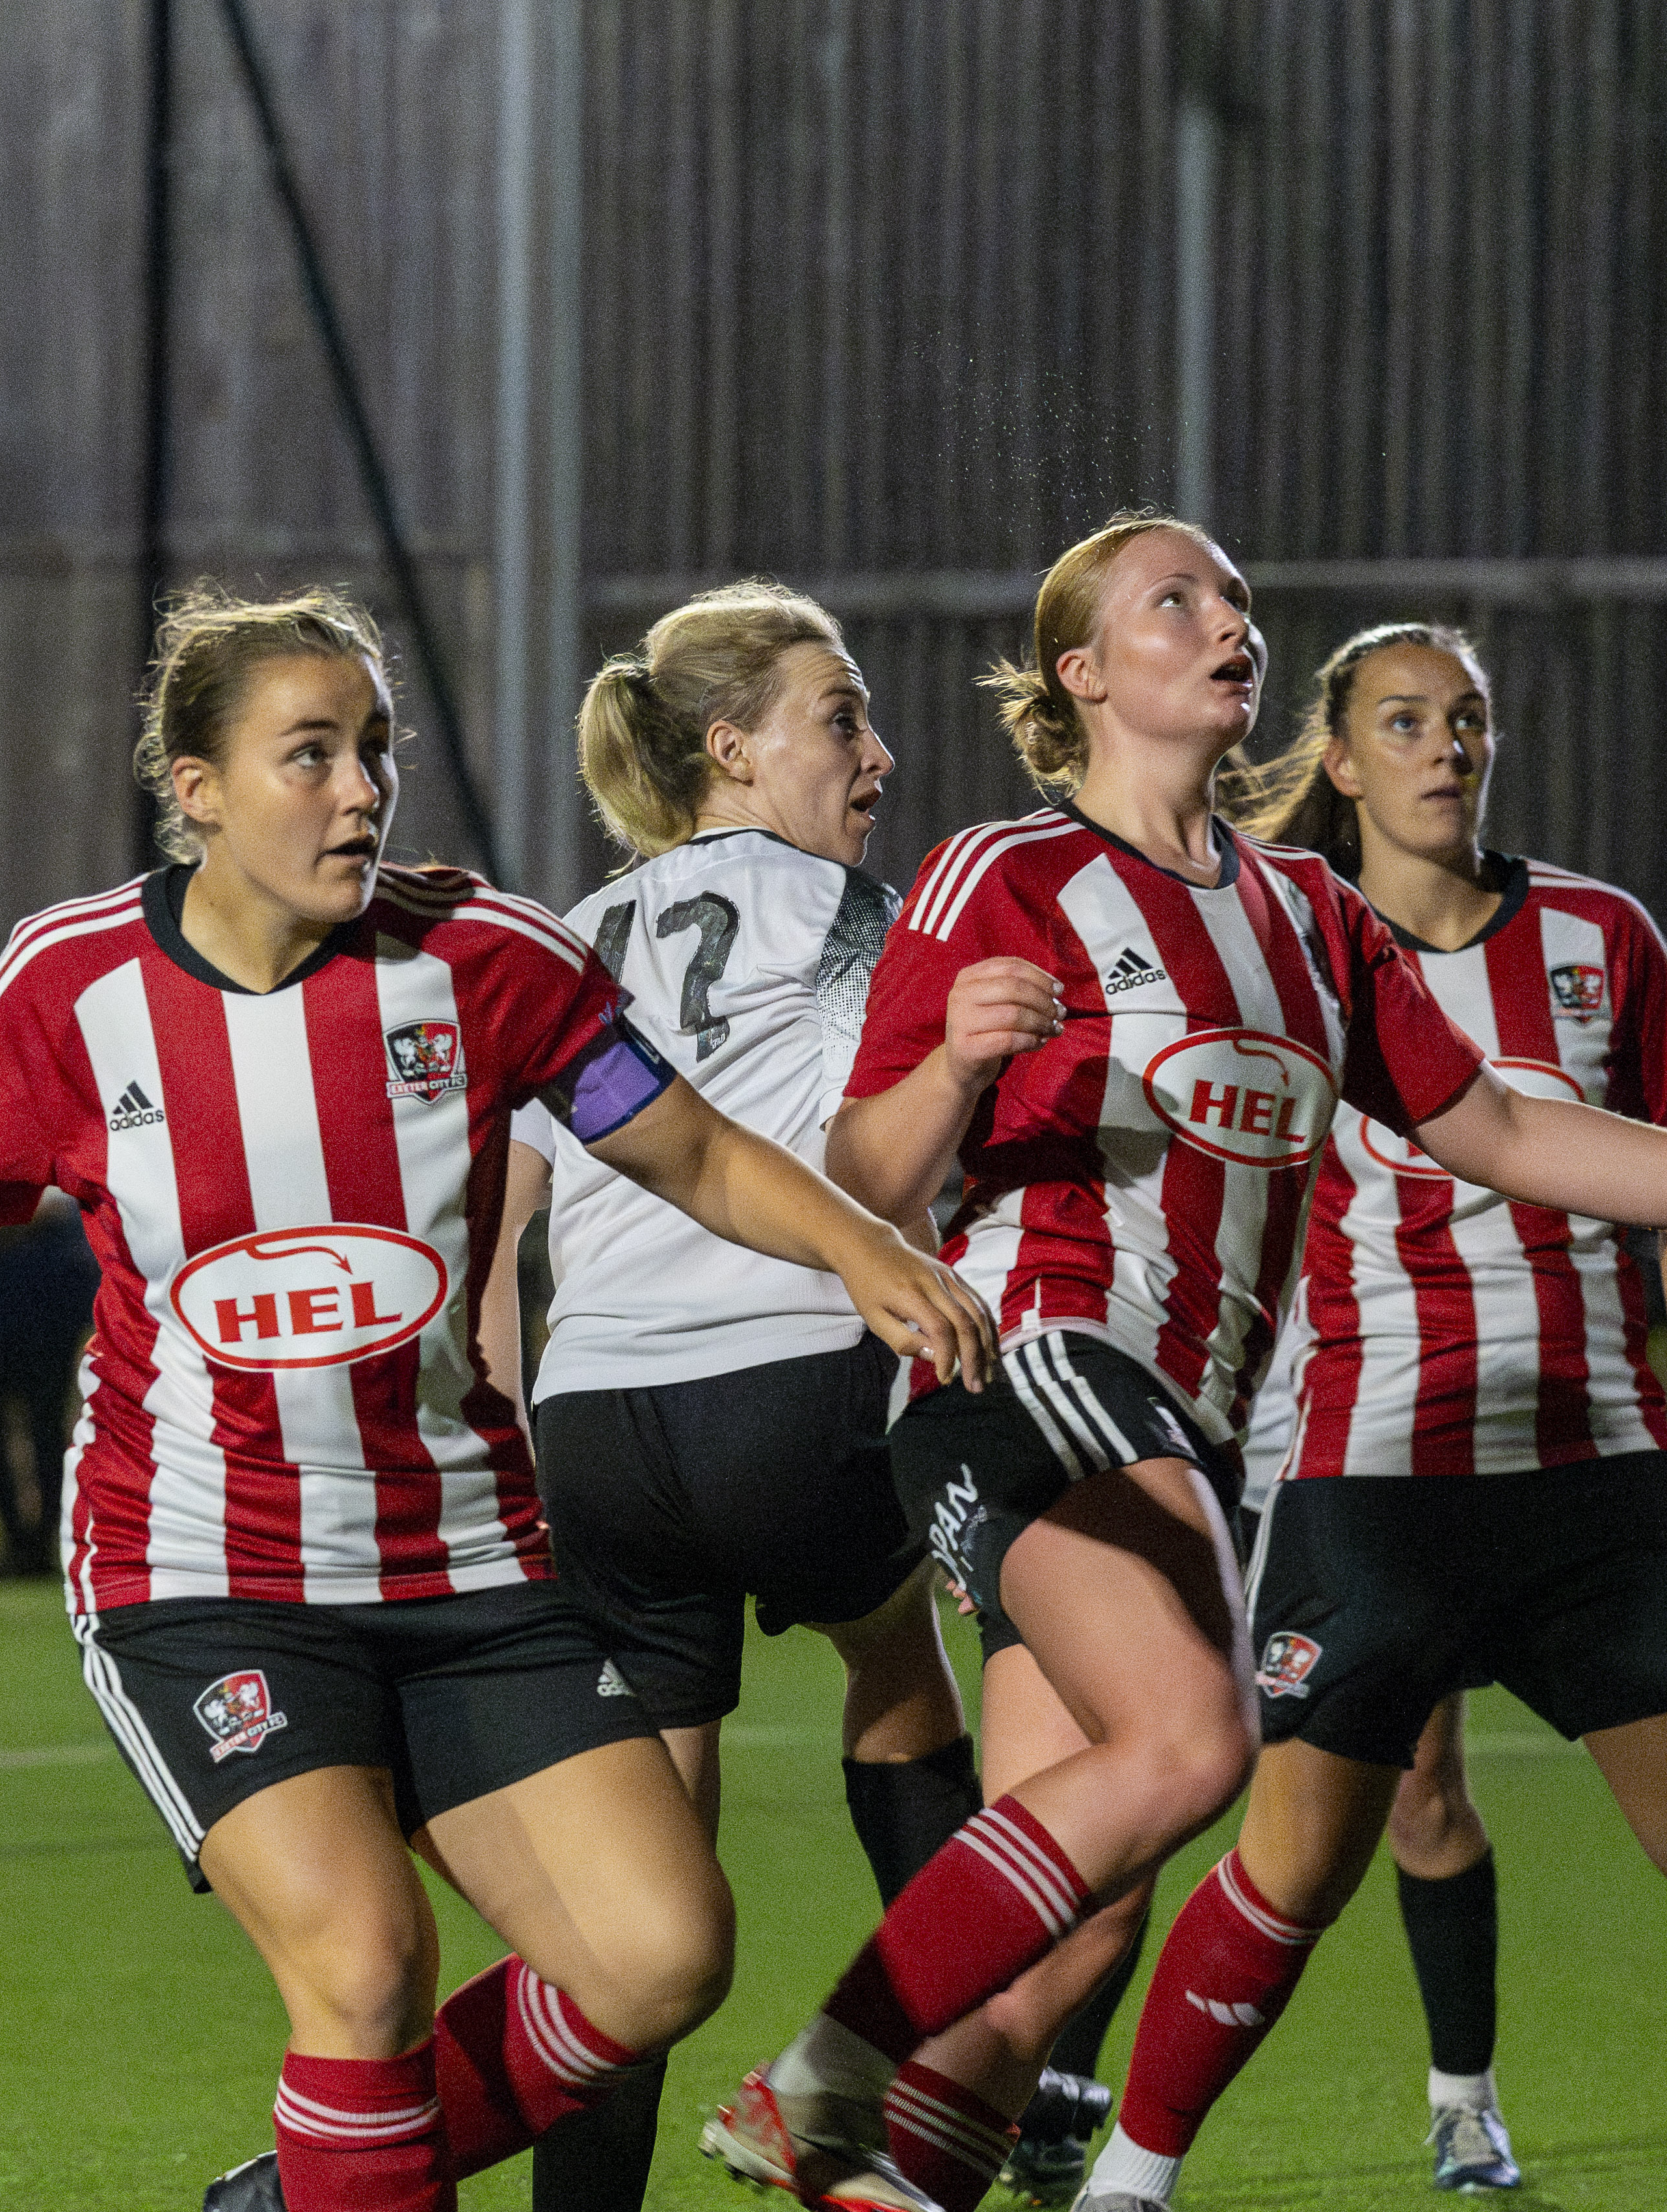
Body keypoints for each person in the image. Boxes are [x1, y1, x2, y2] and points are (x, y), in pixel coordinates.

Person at [0, 587, 999, 2212]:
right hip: (205, 1570)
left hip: (468, 1564)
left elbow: (691, 1147)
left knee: (661, 1954)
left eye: (375, 750)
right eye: (312, 754)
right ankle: (347, 2159)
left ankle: (306, 2182)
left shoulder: (488, 957)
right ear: (197, 786)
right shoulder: (77, 980)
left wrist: (857, 1246)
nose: (361, 787)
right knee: (365, 1964)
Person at [700, 515, 1667, 2212]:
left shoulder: (1311, 915)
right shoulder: (1004, 874)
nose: (1226, 621)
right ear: (1084, 673)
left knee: (1064, 1929)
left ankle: (883, 2164)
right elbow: (858, 1190)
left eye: (1235, 598)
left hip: (1181, 1426)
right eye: (1179, 600)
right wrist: (949, 1065)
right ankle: (823, 2079)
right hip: (1034, 1370)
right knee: (1197, 1742)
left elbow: (1510, 1127)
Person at [1067, 620, 1667, 2212]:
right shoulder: (1278, 944)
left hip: (1592, 1472)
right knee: (1297, 1860)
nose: (1447, 746)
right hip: (1371, 1471)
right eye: (1406, 720)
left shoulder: (1599, 933)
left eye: (1468, 719)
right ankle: (1130, 2178)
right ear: (1340, 757)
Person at [436, 582, 991, 2212]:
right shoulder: (855, 919)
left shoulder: (574, 935)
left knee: (639, 1891)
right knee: (904, 1674)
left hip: (601, 1427)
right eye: (843, 716)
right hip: (797, 1385)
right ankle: (926, 2084)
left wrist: (511, 1438)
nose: (878, 751)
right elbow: (868, 1160)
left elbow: (500, 1229)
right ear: (733, 745)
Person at [0, 1192, 94, 1578]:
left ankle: (43, 1542)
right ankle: (21, 1540)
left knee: (46, 1429)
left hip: (47, 1299)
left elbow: (61, 1198)